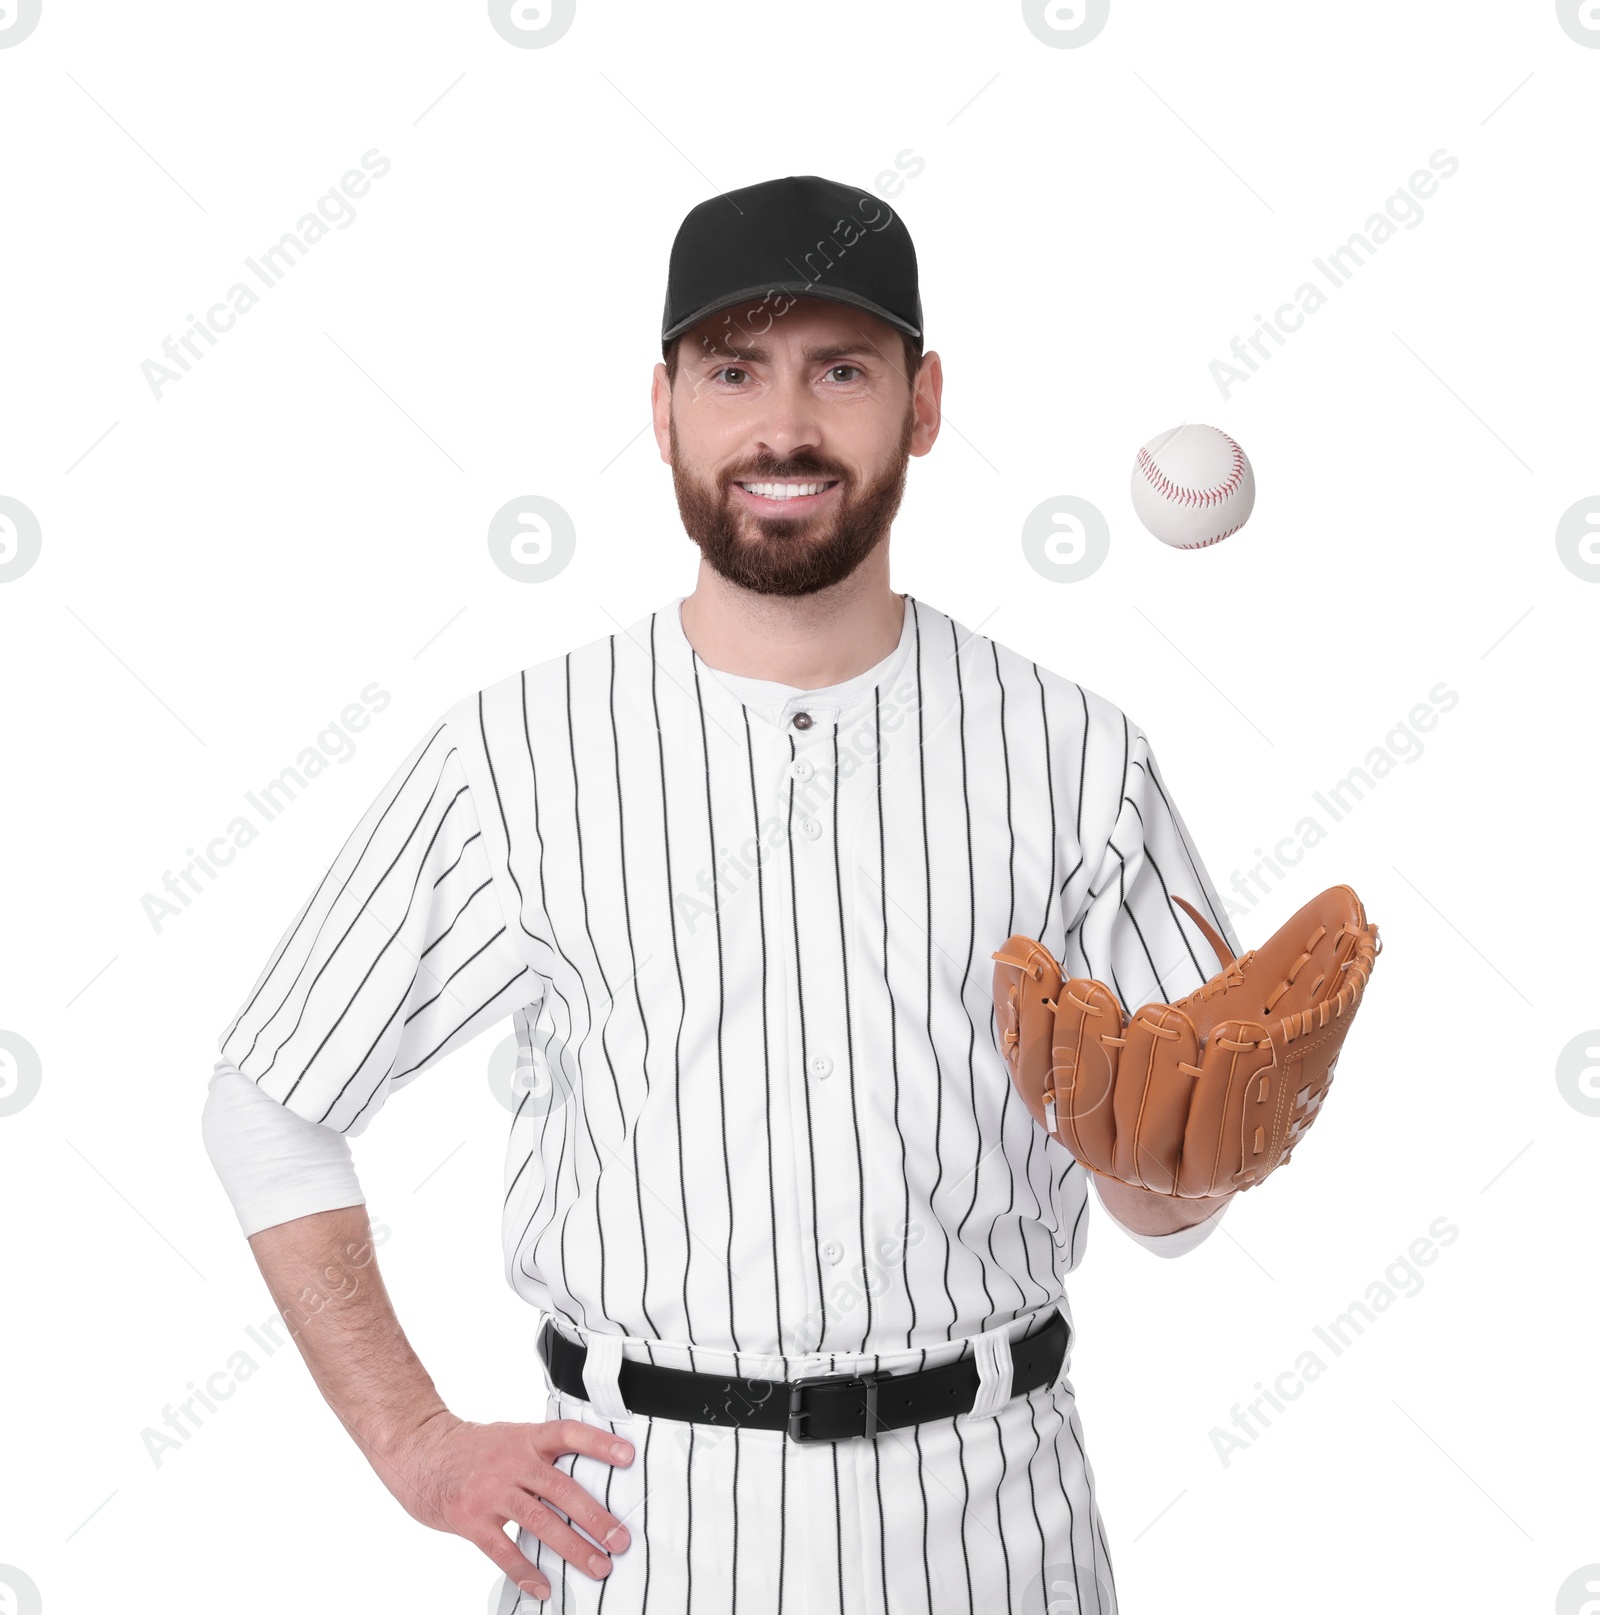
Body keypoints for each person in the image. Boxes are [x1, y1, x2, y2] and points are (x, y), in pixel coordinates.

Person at [203, 174, 1240, 1613]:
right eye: (735, 370)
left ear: (923, 405)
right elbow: (269, 1101)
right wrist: (417, 1445)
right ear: (665, 407)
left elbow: (1175, 1216)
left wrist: (1169, 1150)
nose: (786, 426)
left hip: (993, 1531)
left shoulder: (1078, 755)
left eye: (843, 370)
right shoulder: (514, 754)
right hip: (640, 1534)